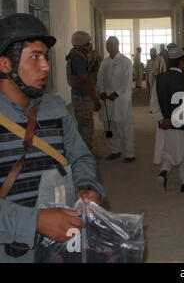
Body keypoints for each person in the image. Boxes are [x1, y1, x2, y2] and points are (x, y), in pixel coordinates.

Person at [0, 13, 105, 262]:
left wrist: (86, 186)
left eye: (45, 57)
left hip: (61, 247)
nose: (46, 65)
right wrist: (35, 221)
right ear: (5, 64)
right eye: (35, 57)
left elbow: (81, 156)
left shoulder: (55, 109)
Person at [150, 47, 184, 193]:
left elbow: (154, 102)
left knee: (168, 151)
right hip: (181, 125)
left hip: (164, 125)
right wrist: (174, 120)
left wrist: (162, 119)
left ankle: (163, 172)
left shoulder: (159, 79)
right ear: (181, 62)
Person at [97, 36, 136, 163]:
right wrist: (101, 91)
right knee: (109, 125)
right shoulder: (105, 62)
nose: (109, 46)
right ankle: (115, 150)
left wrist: (117, 93)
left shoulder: (125, 61)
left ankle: (130, 154)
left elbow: (127, 80)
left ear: (118, 45)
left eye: (111, 44)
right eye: (107, 44)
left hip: (121, 100)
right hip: (107, 99)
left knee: (124, 126)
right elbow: (100, 79)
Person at [65, 31, 102, 155]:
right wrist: (95, 99)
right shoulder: (79, 59)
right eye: (87, 44)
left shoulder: (75, 56)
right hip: (82, 97)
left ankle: (85, 152)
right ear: (79, 45)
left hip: (79, 95)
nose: (89, 46)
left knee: (84, 126)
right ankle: (86, 155)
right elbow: (85, 81)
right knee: (86, 127)